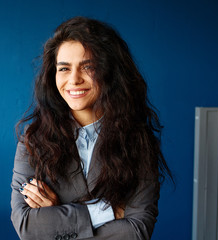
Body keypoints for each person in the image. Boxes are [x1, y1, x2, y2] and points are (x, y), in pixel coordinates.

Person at [11, 16, 173, 240]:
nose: (74, 79)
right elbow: (27, 227)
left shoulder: (138, 142)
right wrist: (107, 212)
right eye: (64, 68)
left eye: (88, 67)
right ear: (53, 75)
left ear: (110, 72)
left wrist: (57, 215)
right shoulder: (33, 141)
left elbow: (137, 231)